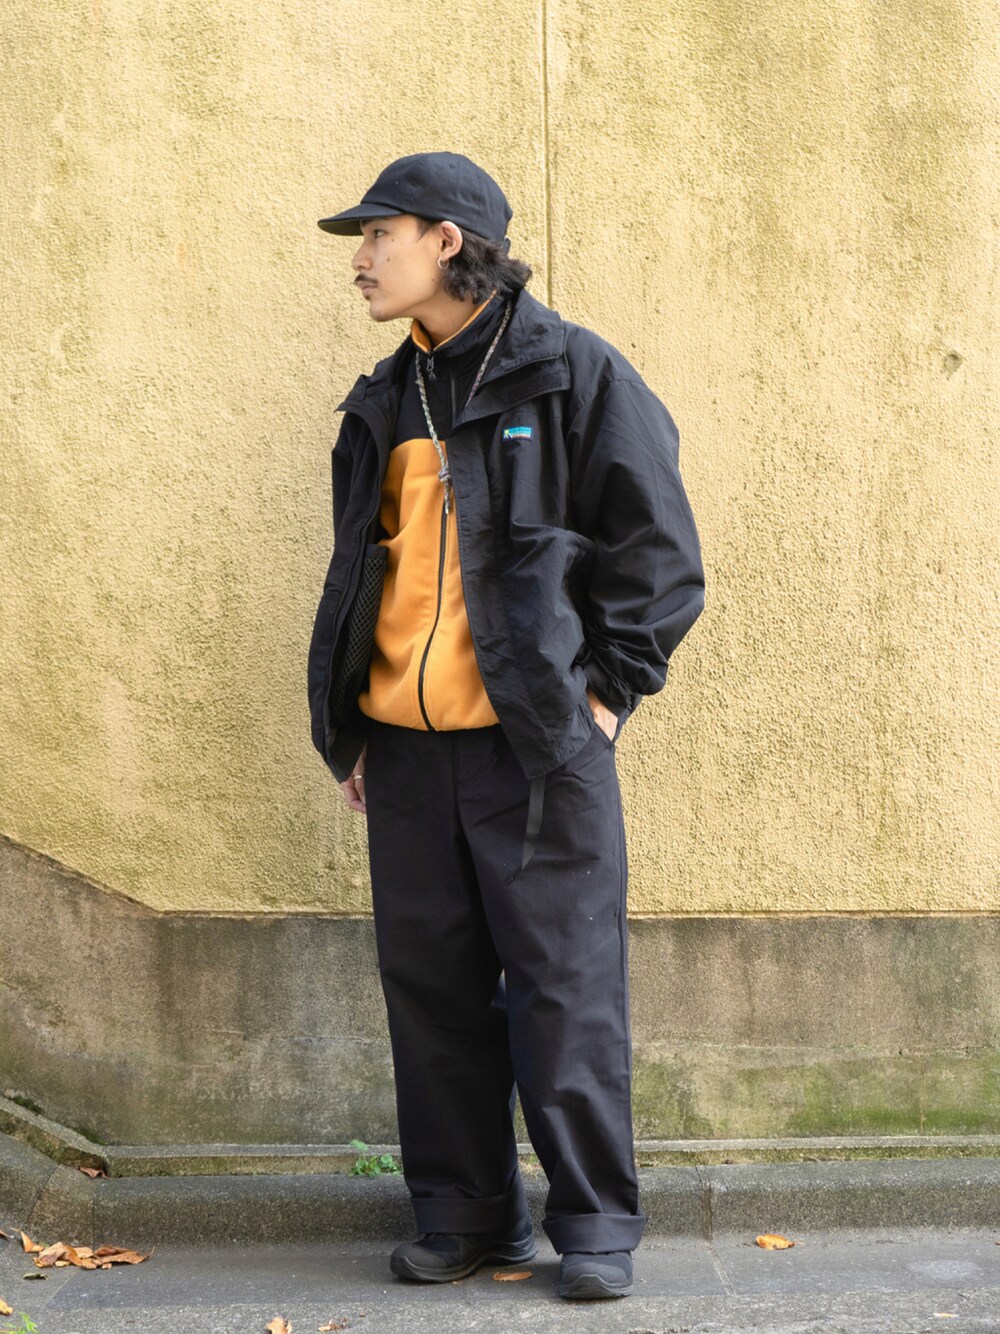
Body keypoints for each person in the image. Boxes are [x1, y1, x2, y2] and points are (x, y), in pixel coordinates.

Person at [308, 152, 704, 1301]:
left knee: (563, 986)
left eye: (377, 234)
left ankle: (594, 1223)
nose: (360, 259)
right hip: (405, 747)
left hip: (536, 749)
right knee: (430, 991)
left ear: (446, 239)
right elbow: (366, 576)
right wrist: (355, 723)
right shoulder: (384, 398)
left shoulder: (573, 373)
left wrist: (604, 696)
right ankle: (468, 1215)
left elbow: (657, 552)